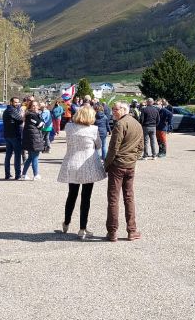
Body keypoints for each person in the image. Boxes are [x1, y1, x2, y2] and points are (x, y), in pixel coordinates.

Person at [57, 103, 107, 240]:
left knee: (71, 195)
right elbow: (99, 145)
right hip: (88, 164)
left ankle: (66, 222)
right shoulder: (93, 129)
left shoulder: (69, 127)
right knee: (86, 198)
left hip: (72, 162)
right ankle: (82, 228)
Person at [104, 102, 144, 242]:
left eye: (116, 109)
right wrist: (133, 159)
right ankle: (132, 230)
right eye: (113, 109)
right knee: (129, 197)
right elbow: (141, 147)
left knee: (113, 199)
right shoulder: (137, 124)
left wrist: (106, 164)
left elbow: (113, 147)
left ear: (124, 110)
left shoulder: (120, 125)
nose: (113, 111)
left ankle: (112, 231)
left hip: (118, 165)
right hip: (130, 165)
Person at [20, 100, 44, 180]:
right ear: (30, 106)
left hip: (31, 138)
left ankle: (23, 174)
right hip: (33, 138)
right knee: (35, 157)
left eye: (36, 105)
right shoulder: (31, 115)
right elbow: (40, 125)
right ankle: (36, 174)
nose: (35, 107)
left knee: (30, 157)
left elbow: (41, 123)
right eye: (33, 105)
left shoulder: (32, 114)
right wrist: (42, 122)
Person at [2, 97, 23, 180]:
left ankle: (7, 174)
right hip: (14, 135)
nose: (17, 104)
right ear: (11, 102)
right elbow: (21, 119)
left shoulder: (6, 110)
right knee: (17, 156)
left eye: (18, 102)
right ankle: (17, 175)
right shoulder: (12, 110)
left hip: (8, 135)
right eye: (15, 102)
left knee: (8, 155)